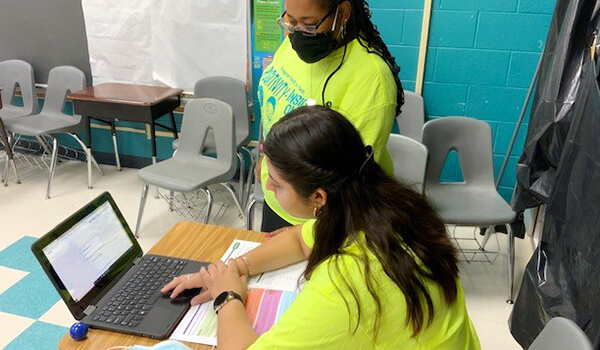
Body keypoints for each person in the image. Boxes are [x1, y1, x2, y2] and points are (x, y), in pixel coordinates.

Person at [163, 106, 481, 350]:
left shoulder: (347, 284)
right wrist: (236, 268)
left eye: (276, 183)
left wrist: (227, 297)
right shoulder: (381, 206)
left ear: (318, 197)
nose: (268, 187)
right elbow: (301, 243)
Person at [256, 0, 405, 232]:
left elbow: (349, 182)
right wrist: (266, 161)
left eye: (309, 24)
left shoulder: (371, 78)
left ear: (342, 13)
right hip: (278, 200)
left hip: (324, 221)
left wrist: (302, 235)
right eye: (291, 22)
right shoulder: (290, 48)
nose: (297, 34)